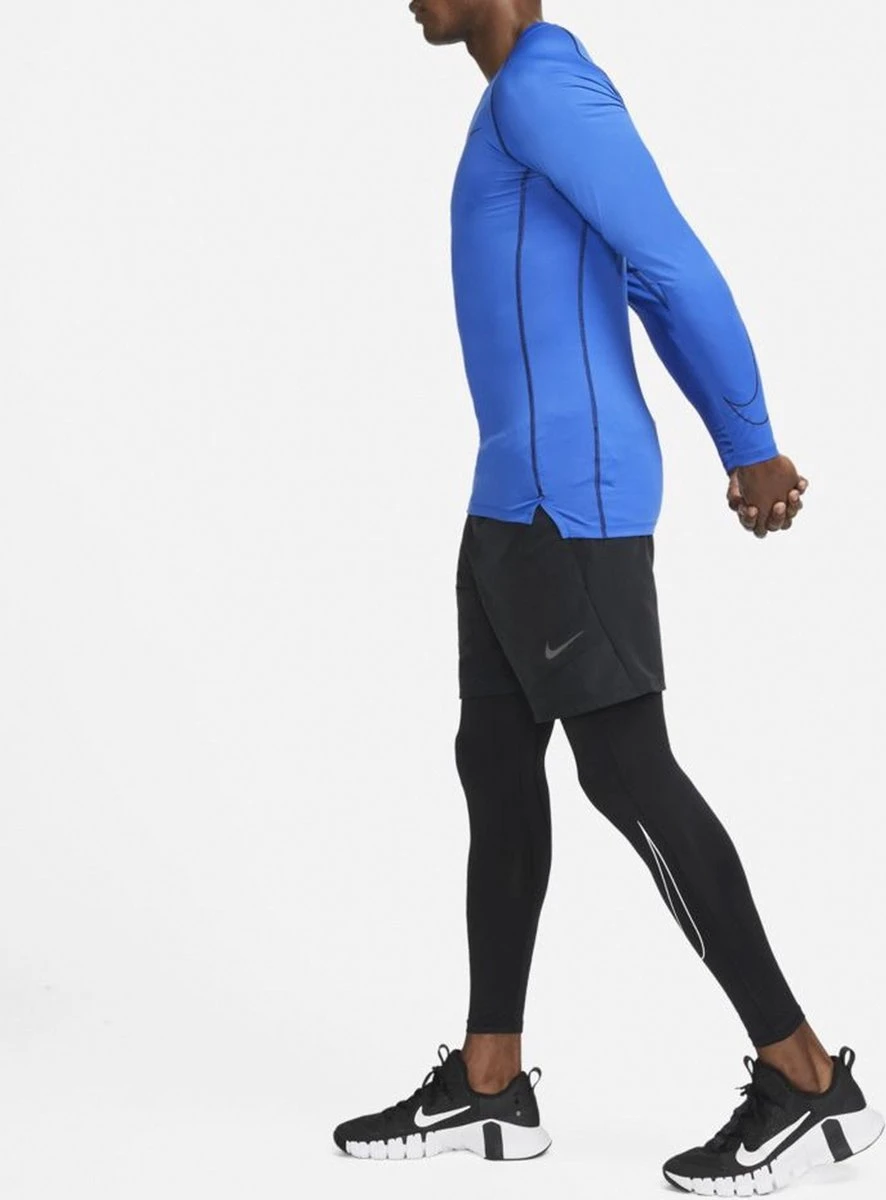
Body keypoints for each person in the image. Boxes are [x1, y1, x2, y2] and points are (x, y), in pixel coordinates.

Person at [333, 2, 883, 1191]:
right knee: (494, 767)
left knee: (628, 775)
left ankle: (803, 1075)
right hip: (509, 498)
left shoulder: (544, 85)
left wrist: (749, 441)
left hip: (565, 501)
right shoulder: (514, 101)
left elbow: (668, 264)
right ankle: (490, 1085)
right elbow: (630, 282)